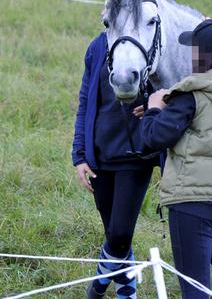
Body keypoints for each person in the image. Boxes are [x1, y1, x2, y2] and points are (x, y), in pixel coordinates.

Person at [141, 19, 212, 298]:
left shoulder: (190, 95)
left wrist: (154, 108)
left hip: (193, 205)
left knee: (196, 290)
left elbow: (153, 139)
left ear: (204, 54)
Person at [72, 16, 159, 299]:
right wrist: (80, 155)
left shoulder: (149, 43)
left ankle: (98, 287)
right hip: (100, 155)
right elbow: (85, 99)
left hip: (136, 156)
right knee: (115, 236)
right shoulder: (97, 47)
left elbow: (170, 90)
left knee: (121, 233)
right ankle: (126, 292)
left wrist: (154, 104)